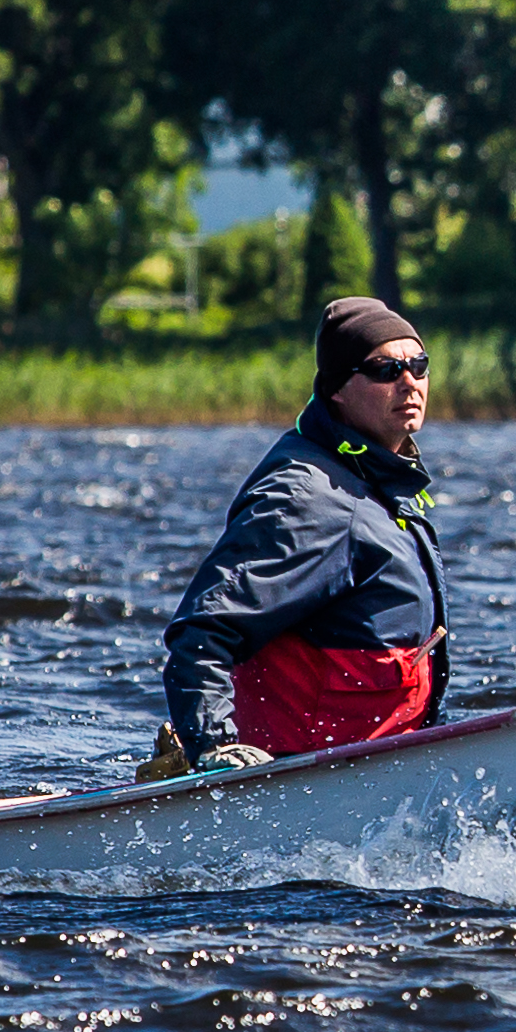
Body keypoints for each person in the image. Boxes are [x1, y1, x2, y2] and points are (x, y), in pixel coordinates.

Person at [156, 297, 450, 773]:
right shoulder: (305, 499)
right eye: (385, 369)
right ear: (337, 389)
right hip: (305, 778)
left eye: (419, 365)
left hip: (387, 766)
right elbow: (203, 631)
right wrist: (214, 747)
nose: (409, 382)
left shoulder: (381, 480)